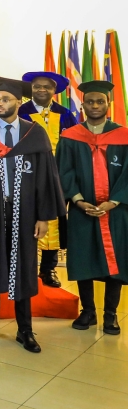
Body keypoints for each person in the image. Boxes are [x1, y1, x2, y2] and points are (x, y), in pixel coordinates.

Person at [0, 77, 64, 353]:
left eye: (5, 99)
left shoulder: (35, 133)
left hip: (26, 211)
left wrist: (43, 216)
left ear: (19, 103)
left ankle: (25, 330)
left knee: (25, 267)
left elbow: (46, 177)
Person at [57, 80, 128, 335]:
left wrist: (114, 201)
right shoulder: (71, 137)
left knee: (115, 261)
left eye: (100, 101)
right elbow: (64, 171)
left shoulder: (124, 136)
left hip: (117, 211)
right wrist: (77, 199)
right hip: (82, 210)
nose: (95, 106)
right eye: (90, 101)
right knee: (83, 258)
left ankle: (111, 315)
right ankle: (88, 311)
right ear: (82, 105)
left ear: (108, 104)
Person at [19, 71, 77, 289]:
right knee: (25, 218)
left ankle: (48, 268)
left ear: (55, 90)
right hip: (26, 173)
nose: (41, 90)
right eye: (37, 86)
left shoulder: (65, 114)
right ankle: (25, 268)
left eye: (47, 87)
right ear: (31, 88)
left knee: (53, 220)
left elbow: (73, 144)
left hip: (56, 175)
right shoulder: (20, 111)